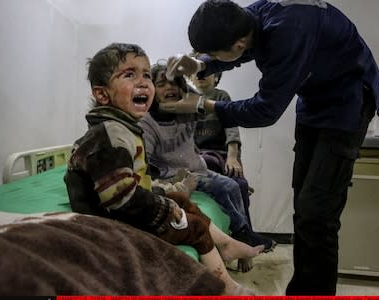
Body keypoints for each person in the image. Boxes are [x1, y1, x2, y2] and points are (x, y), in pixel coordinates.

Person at [161, 0, 379, 295]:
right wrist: (203, 63)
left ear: (238, 42)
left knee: (318, 212)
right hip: (315, 101)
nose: (213, 60)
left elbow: (265, 111)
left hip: (348, 102)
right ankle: (303, 288)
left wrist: (204, 105)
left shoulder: (289, 31)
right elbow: (243, 51)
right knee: (304, 206)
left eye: (215, 53)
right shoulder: (251, 17)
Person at [63, 43, 265, 295]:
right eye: (129, 74)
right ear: (103, 95)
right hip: (107, 221)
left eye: (146, 74)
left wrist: (162, 192)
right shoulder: (109, 136)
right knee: (194, 226)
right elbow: (121, 199)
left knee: (181, 198)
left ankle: (225, 244)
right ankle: (226, 287)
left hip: (125, 204)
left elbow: (135, 178)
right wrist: (165, 207)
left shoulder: (124, 126)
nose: (143, 81)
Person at [138, 62, 277, 262]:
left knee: (231, 185)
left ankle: (242, 231)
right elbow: (147, 160)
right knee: (223, 187)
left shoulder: (187, 110)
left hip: (197, 166)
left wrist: (187, 71)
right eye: (161, 84)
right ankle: (240, 232)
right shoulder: (148, 122)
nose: (169, 88)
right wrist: (167, 182)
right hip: (173, 173)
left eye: (174, 83)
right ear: (151, 90)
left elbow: (201, 99)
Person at [189, 55, 252, 226]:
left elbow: (232, 129)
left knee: (241, 184)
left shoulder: (222, 96)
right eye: (197, 72)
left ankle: (245, 230)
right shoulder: (185, 99)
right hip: (195, 158)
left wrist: (233, 157)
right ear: (190, 76)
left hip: (221, 155)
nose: (201, 76)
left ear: (215, 75)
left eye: (205, 72)